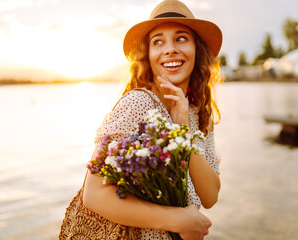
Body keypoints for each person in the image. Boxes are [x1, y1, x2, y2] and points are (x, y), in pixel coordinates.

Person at [82, 0, 222, 239]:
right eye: (158, 41)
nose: (170, 49)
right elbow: (93, 194)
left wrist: (183, 133)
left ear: (196, 49)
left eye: (181, 38)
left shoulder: (199, 114)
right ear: (148, 55)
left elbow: (210, 196)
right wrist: (176, 221)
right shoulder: (138, 103)